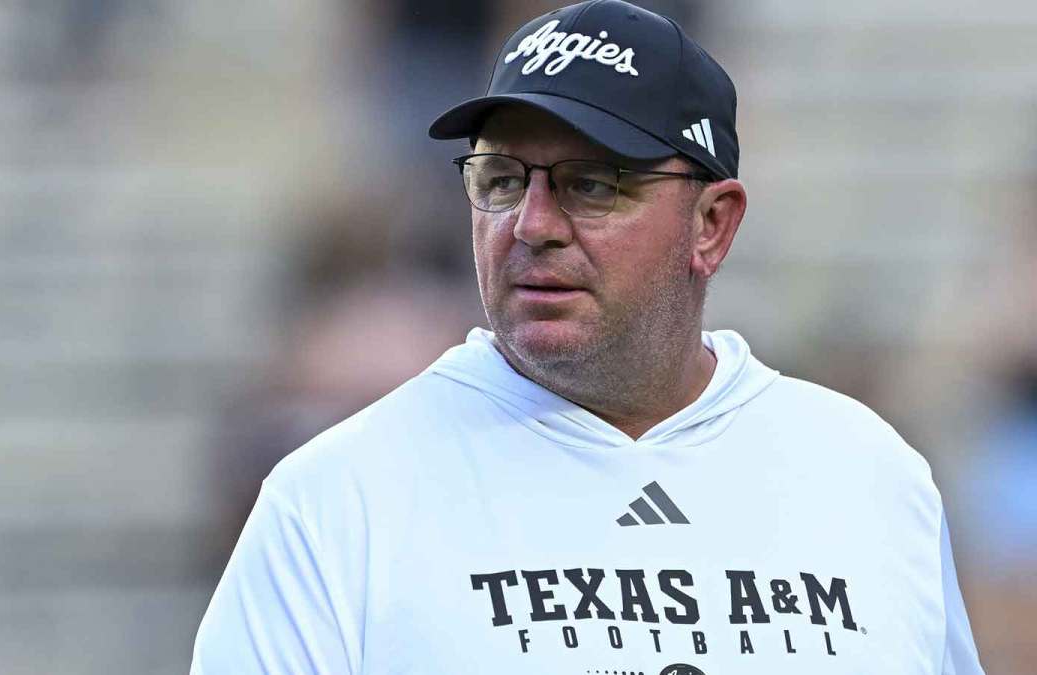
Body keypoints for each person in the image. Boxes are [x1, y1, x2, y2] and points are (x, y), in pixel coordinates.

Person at [190, 1, 985, 673]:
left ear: (713, 224)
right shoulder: (334, 500)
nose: (531, 226)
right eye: (502, 180)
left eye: (591, 184)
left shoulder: (870, 479)